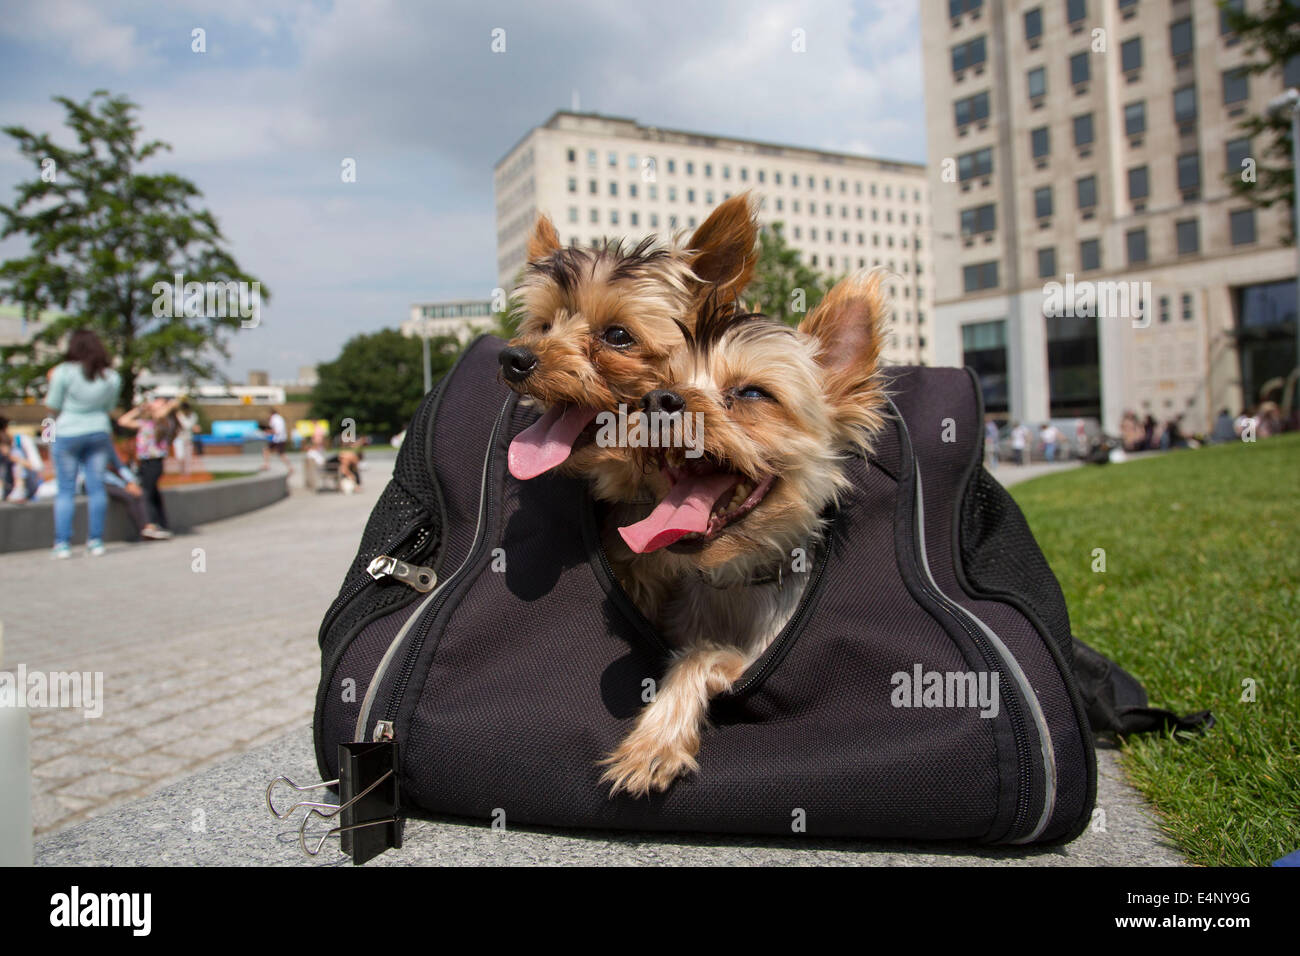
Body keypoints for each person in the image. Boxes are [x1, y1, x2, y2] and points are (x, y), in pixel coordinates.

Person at [46, 329, 121, 558]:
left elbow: (53, 405)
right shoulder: (111, 377)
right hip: (99, 431)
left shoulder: (63, 372)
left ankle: (62, 544)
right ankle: (96, 541)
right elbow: (109, 408)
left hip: (68, 430)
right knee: (97, 488)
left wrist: (49, 433)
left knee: (66, 490)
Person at [118, 396, 180, 534]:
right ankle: (162, 523)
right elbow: (123, 421)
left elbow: (167, 409)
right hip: (144, 462)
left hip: (155, 461)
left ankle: (151, 523)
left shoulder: (164, 422)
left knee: (146, 492)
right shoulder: (146, 423)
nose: (154, 403)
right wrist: (139, 409)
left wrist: (164, 405)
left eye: (158, 402)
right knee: (153, 493)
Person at [262, 407, 292, 476]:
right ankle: (267, 465)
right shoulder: (279, 418)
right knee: (267, 450)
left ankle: (290, 467)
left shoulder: (275, 419)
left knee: (280, 454)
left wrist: (268, 431)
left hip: (278, 439)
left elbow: (277, 431)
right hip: (280, 438)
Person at [173, 400, 199, 475]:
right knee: (180, 456)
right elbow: (186, 425)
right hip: (179, 437)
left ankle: (187, 472)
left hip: (188, 437)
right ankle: (181, 470)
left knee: (188, 456)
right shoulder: (179, 415)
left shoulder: (192, 415)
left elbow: (188, 425)